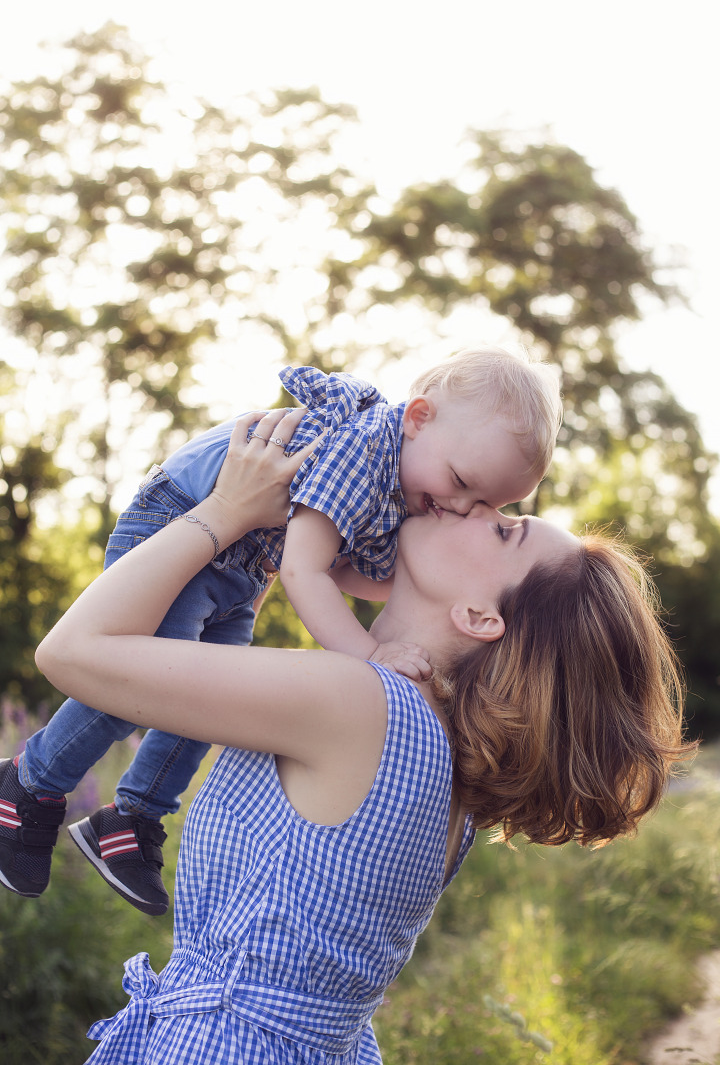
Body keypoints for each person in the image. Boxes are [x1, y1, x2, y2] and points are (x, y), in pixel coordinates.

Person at [30, 408, 693, 1064]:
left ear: (480, 617)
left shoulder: (358, 705)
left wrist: (226, 511)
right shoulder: (431, 737)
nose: (475, 508)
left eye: (505, 531)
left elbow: (73, 653)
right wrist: (277, 550)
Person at [0, 348, 562, 915]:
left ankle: (132, 818)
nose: (461, 507)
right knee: (133, 682)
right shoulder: (363, 452)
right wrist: (371, 652)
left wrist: (415, 584)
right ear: (418, 417)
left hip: (238, 563)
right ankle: (28, 785)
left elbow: (341, 568)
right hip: (178, 520)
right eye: (462, 483)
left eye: (487, 503)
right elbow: (304, 569)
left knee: (193, 703)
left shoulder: (402, 484)